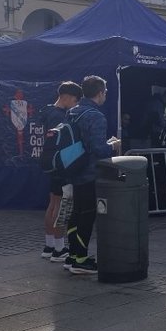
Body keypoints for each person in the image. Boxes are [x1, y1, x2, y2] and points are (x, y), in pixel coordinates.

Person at [64, 76, 120, 275]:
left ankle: (72, 256)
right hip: (89, 172)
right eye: (105, 92)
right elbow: (98, 149)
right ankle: (81, 259)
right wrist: (113, 144)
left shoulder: (73, 111)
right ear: (100, 93)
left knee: (76, 213)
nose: (105, 95)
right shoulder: (96, 116)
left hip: (72, 167)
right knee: (87, 215)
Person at [39, 81, 81, 261]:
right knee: (62, 206)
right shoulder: (59, 117)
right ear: (66, 97)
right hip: (61, 165)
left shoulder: (47, 112)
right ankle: (59, 248)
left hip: (50, 163)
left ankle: (49, 246)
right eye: (75, 100)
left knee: (53, 203)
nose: (76, 105)